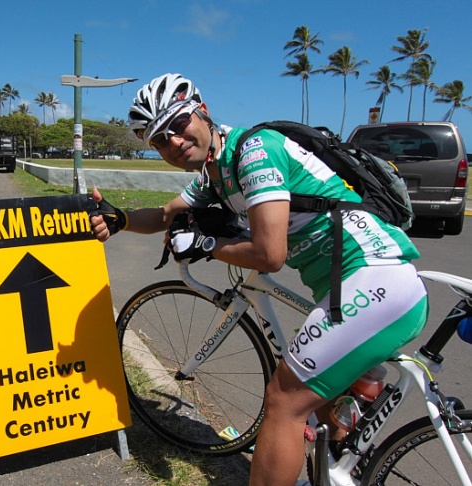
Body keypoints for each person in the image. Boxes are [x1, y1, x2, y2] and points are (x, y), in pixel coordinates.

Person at [89, 73, 428, 486]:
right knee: (319, 397)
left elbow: (270, 255)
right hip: (362, 286)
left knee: (284, 400)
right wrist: (119, 218)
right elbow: (164, 214)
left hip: (374, 279)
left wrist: (205, 242)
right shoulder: (216, 171)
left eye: (178, 126)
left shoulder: (254, 151)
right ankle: (342, 469)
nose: (173, 143)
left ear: (203, 112)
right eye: (160, 140)